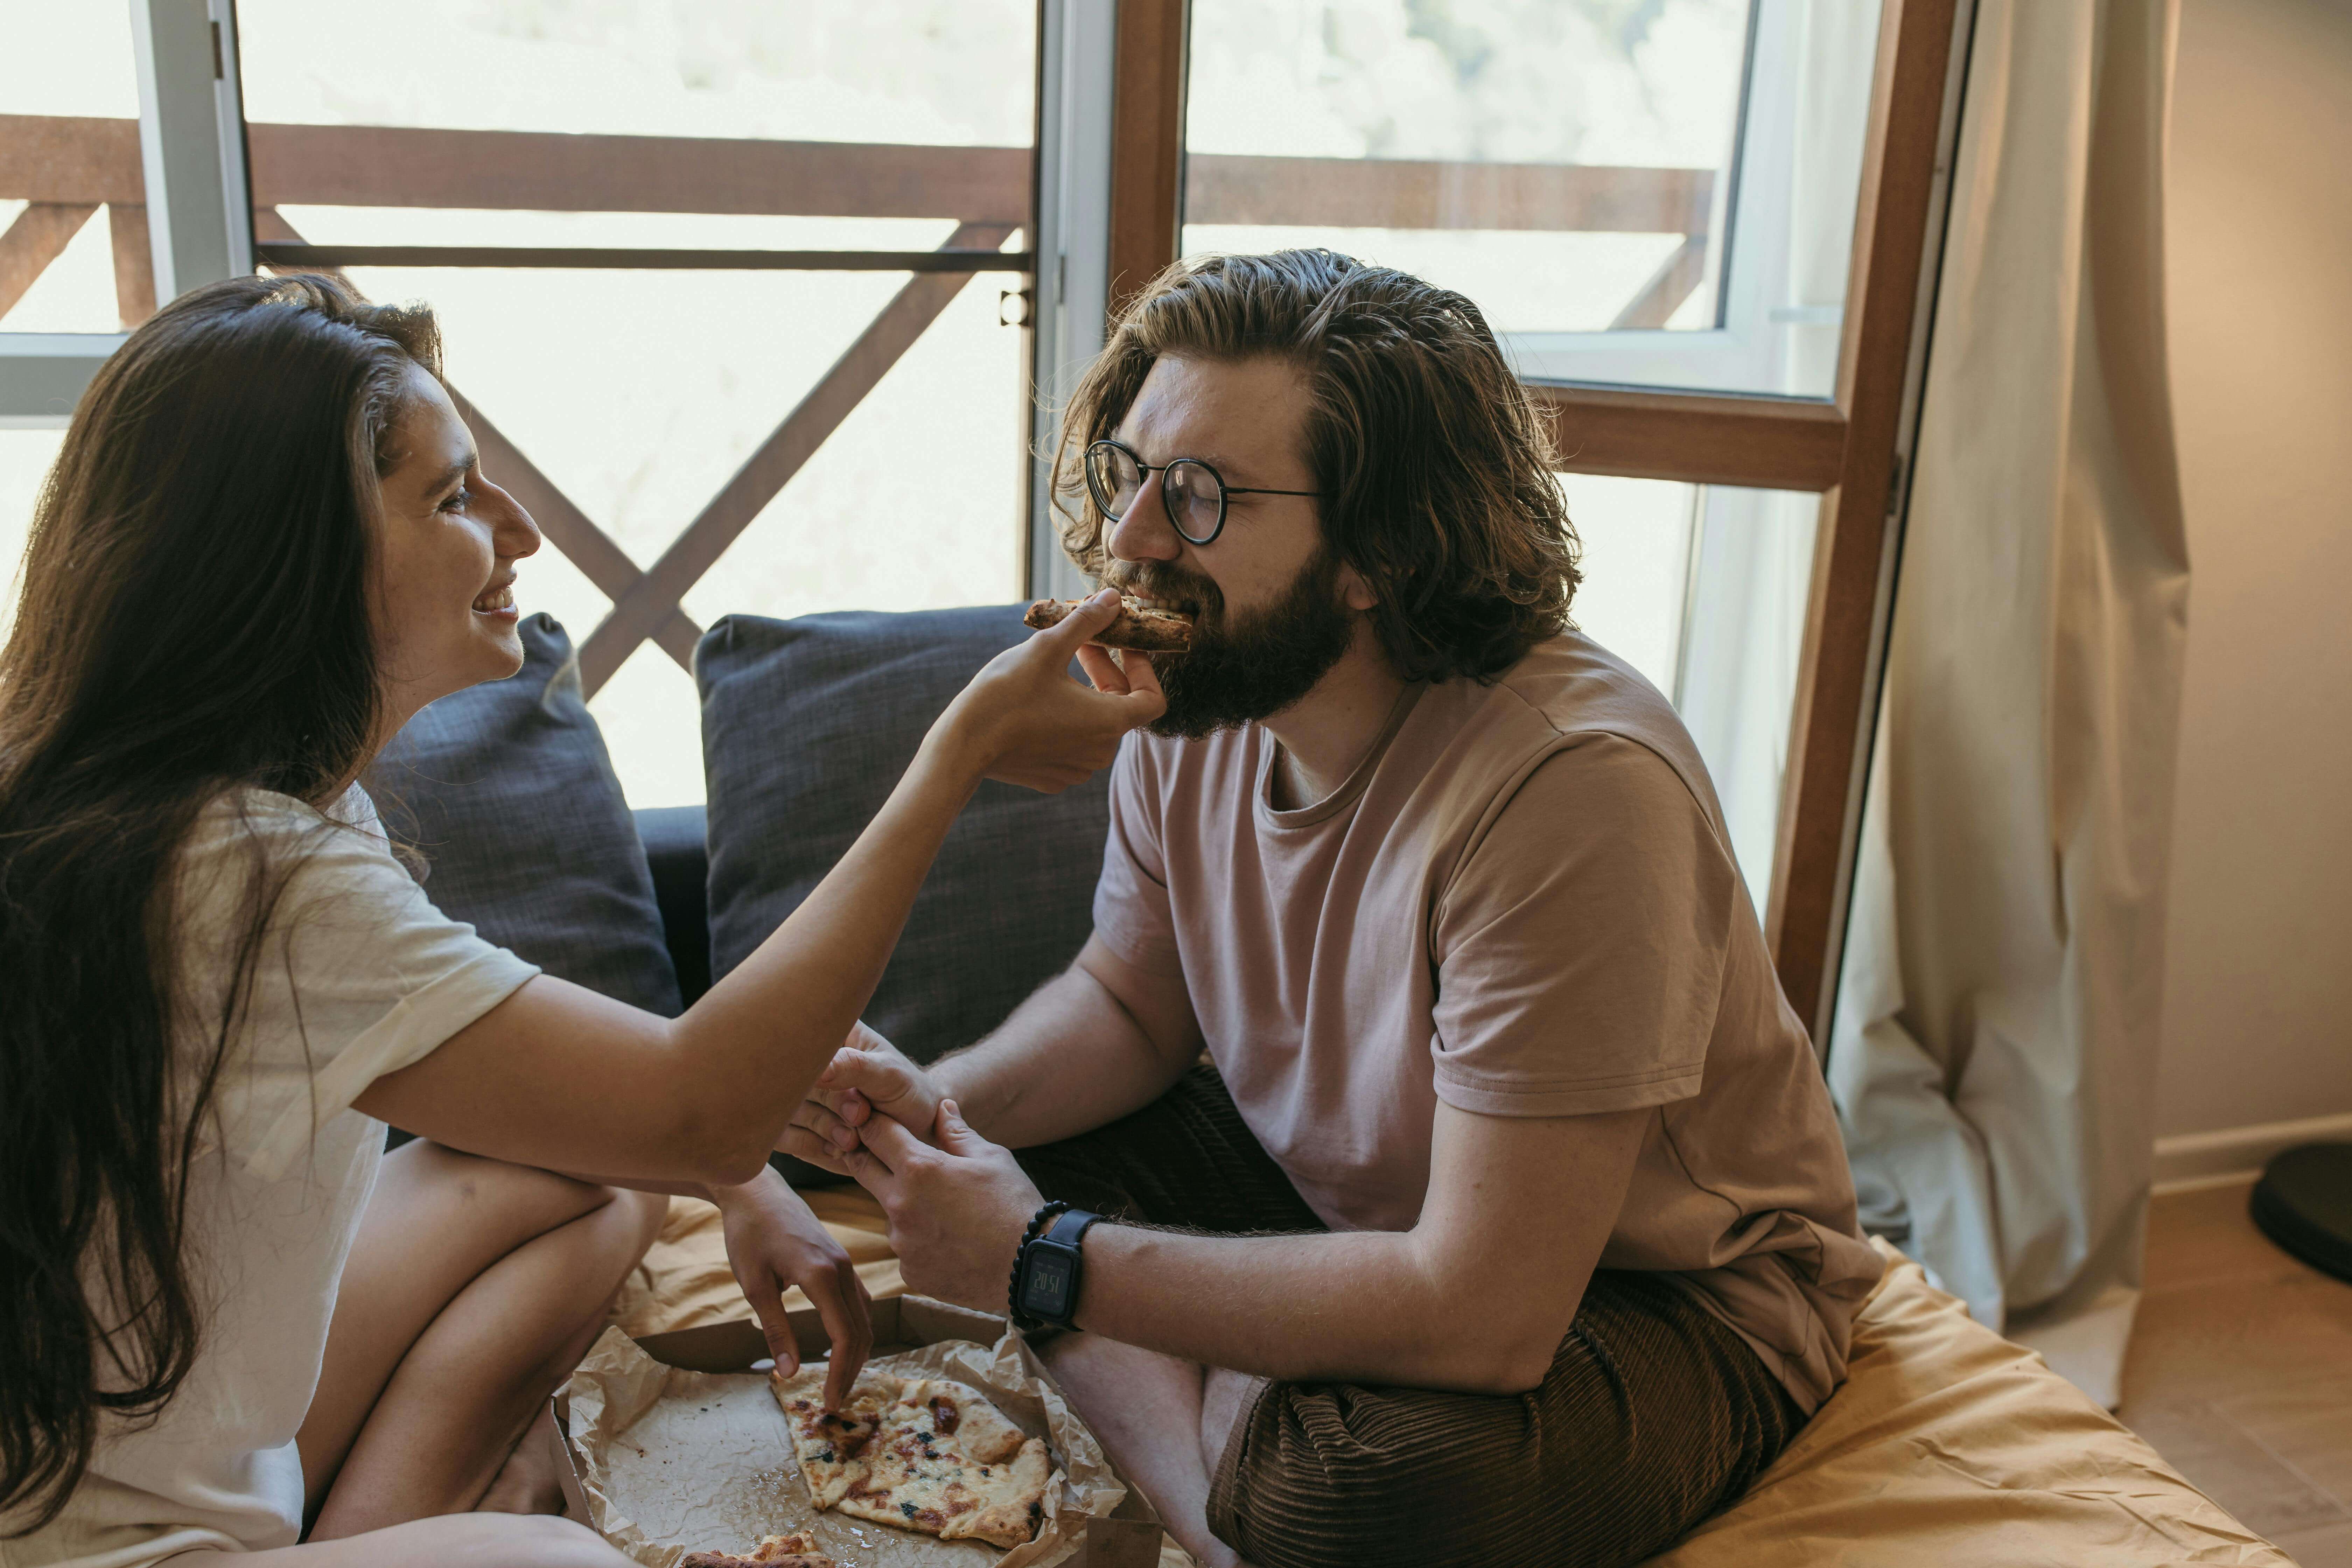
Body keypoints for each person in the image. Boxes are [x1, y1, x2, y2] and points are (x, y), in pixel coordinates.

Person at [0, 273, 1162, 1568]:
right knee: (569, 1563)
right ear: (295, 560)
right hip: (104, 1542)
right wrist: (956, 758)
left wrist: (735, 1156)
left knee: (586, 1170)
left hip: (185, 1436)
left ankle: (388, 1525)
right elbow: (694, 1102)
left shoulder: (255, 813)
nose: (519, 530)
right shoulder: (254, 878)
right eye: (452, 498)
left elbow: (634, 1108)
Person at [786, 250, 1885, 1568]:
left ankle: (1233, 1503)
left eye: (1195, 497)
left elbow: (1487, 1310)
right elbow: (1132, 1008)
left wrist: (1043, 1263)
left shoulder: (1575, 789)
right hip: (1361, 1204)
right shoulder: (1201, 690)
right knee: (1006, 1159)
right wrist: (935, 1106)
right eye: (1130, 473)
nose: (1133, 538)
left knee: (1346, 1498)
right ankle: (1227, 1473)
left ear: (1378, 550)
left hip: (1655, 1294)